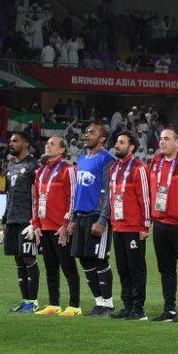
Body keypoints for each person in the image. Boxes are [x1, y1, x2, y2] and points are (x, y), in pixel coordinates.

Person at [147, 127, 178, 322]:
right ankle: (168, 309)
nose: (162, 142)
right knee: (165, 268)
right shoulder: (156, 161)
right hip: (160, 223)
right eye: (161, 139)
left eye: (167, 139)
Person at [67, 123, 117, 316]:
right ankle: (98, 303)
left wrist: (103, 220)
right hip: (81, 216)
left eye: (91, 132)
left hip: (97, 215)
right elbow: (78, 191)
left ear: (102, 138)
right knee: (85, 259)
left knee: (100, 259)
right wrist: (72, 217)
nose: (86, 135)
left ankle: (109, 305)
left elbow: (108, 192)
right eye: (86, 132)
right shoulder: (81, 158)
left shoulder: (107, 160)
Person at [31, 136, 81, 316]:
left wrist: (66, 223)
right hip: (44, 226)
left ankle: (75, 305)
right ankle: (54, 304)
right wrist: (36, 223)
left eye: (52, 144)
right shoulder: (40, 172)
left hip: (60, 227)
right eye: (46, 144)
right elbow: (36, 200)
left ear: (61, 150)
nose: (47, 146)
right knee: (50, 266)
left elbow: (72, 199)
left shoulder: (68, 170)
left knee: (67, 266)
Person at [109, 131, 151, 321]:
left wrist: (145, 224)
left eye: (122, 142)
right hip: (117, 227)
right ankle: (127, 306)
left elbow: (145, 198)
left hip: (134, 227)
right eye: (117, 142)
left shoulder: (139, 168)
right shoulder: (114, 168)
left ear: (131, 147)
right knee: (122, 268)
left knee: (136, 269)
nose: (117, 145)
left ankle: (139, 308)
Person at [0, 131, 40, 313]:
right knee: (18, 260)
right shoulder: (10, 167)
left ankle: (34, 302)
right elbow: (9, 196)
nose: (11, 143)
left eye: (15, 141)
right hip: (12, 220)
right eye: (10, 141)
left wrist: (36, 220)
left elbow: (39, 194)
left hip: (27, 220)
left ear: (25, 144)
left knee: (29, 258)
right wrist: (4, 220)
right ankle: (25, 301)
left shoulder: (34, 166)